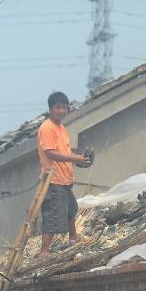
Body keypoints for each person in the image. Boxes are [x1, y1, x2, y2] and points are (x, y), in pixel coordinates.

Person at [37, 91, 92, 258]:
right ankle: (44, 251)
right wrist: (75, 157)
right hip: (53, 181)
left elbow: (65, 153)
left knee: (71, 209)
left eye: (64, 107)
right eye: (58, 107)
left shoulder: (62, 129)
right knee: (53, 215)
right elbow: (51, 153)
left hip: (65, 179)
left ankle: (73, 237)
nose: (61, 110)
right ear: (51, 109)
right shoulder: (47, 128)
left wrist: (78, 160)